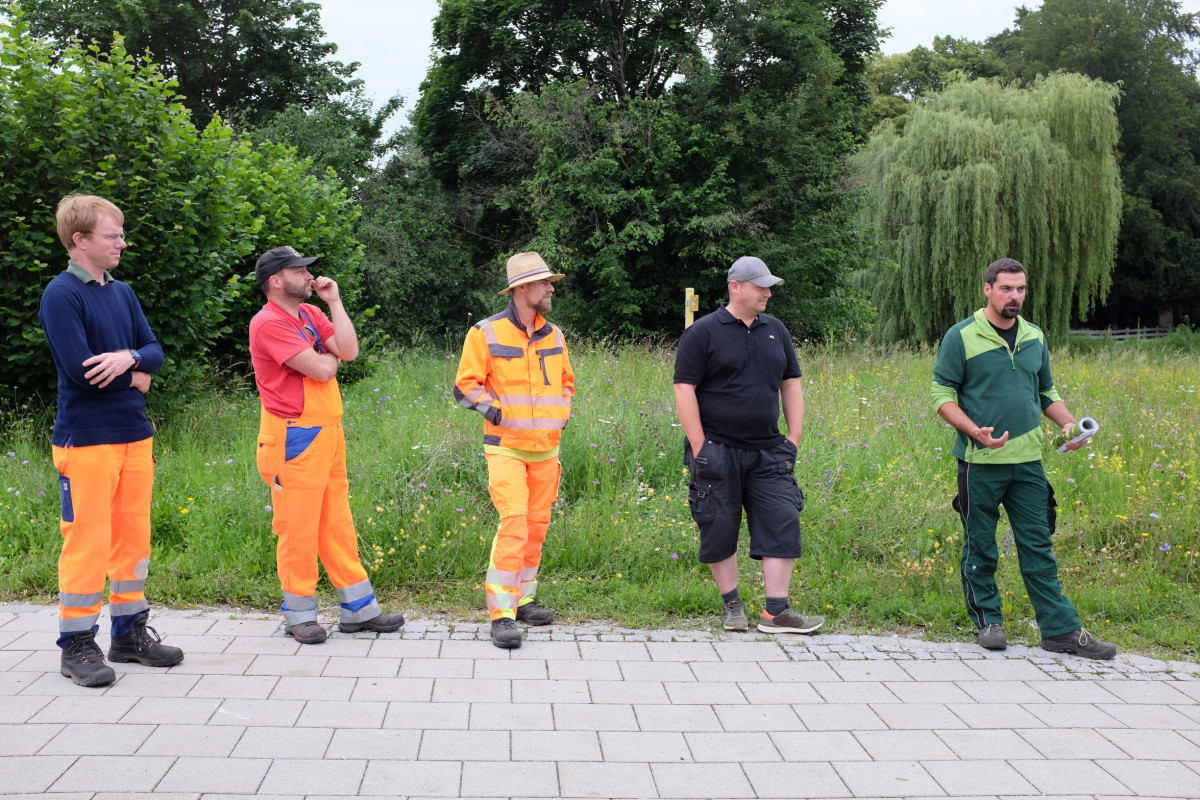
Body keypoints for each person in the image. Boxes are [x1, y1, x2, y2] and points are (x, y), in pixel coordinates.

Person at [932, 257, 1116, 659]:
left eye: (1020, 289)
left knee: (1038, 546)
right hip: (978, 464)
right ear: (987, 289)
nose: (1014, 296)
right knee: (980, 546)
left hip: (1029, 463)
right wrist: (972, 430)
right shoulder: (961, 336)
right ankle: (989, 622)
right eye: (1006, 289)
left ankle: (1060, 631)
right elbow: (941, 395)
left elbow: (1046, 392)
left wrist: (1069, 427)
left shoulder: (1034, 336)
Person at [38, 194, 184, 687]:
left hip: (134, 436)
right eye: (112, 235)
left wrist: (128, 359)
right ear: (80, 241)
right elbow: (83, 374)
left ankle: (128, 634)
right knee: (88, 543)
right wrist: (136, 372)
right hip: (87, 440)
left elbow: (155, 352)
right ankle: (77, 645)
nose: (122, 242)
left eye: (121, 234)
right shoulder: (61, 294)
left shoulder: (122, 292)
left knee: (132, 540)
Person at [248, 246, 404, 644]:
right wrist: (325, 355)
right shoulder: (268, 322)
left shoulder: (313, 313)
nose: (307, 276)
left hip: (328, 431)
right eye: (298, 270)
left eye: (306, 269)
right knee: (296, 528)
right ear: (275, 281)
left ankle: (359, 611)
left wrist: (333, 302)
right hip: (292, 435)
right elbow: (322, 367)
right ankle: (298, 614)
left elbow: (348, 352)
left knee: (337, 524)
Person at [673, 256, 824, 635]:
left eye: (769, 287)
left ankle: (776, 612)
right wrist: (699, 445)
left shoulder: (777, 330)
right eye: (761, 287)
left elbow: (791, 383)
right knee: (718, 526)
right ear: (735, 287)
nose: (768, 293)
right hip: (717, 450)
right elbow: (684, 389)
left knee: (782, 521)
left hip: (770, 450)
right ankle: (732, 606)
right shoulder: (703, 332)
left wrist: (794, 437)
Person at [454, 252, 575, 649]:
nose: (551, 288)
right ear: (523, 288)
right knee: (514, 523)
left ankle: (524, 600)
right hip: (506, 447)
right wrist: (500, 414)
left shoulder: (554, 334)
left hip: (547, 450)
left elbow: (567, 383)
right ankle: (501, 614)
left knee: (536, 529)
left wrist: (562, 414)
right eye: (544, 283)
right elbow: (465, 387)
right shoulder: (485, 332)